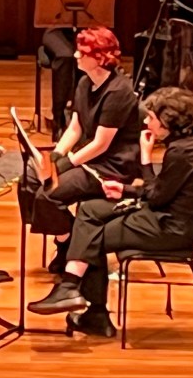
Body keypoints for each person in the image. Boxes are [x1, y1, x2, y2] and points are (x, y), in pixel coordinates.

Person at [27, 87, 193, 338]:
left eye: (151, 117)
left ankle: (90, 308)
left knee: (91, 236)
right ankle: (73, 291)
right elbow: (161, 191)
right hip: (165, 214)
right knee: (89, 209)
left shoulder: (183, 153)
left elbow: (157, 197)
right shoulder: (191, 142)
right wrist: (125, 189)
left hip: (171, 228)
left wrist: (145, 158)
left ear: (168, 121)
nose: (146, 122)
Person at [29, 26, 142, 272]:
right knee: (28, 180)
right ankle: (68, 239)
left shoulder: (118, 91)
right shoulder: (84, 82)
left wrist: (65, 164)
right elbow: (75, 127)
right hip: (89, 157)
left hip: (110, 166)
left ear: (100, 58)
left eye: (83, 52)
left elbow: (101, 144)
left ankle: (71, 245)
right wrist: (56, 156)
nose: (76, 55)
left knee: (48, 193)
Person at [41, 0, 108, 141]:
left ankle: (85, 115)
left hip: (88, 29)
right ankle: (59, 117)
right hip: (57, 29)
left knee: (89, 55)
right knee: (66, 55)